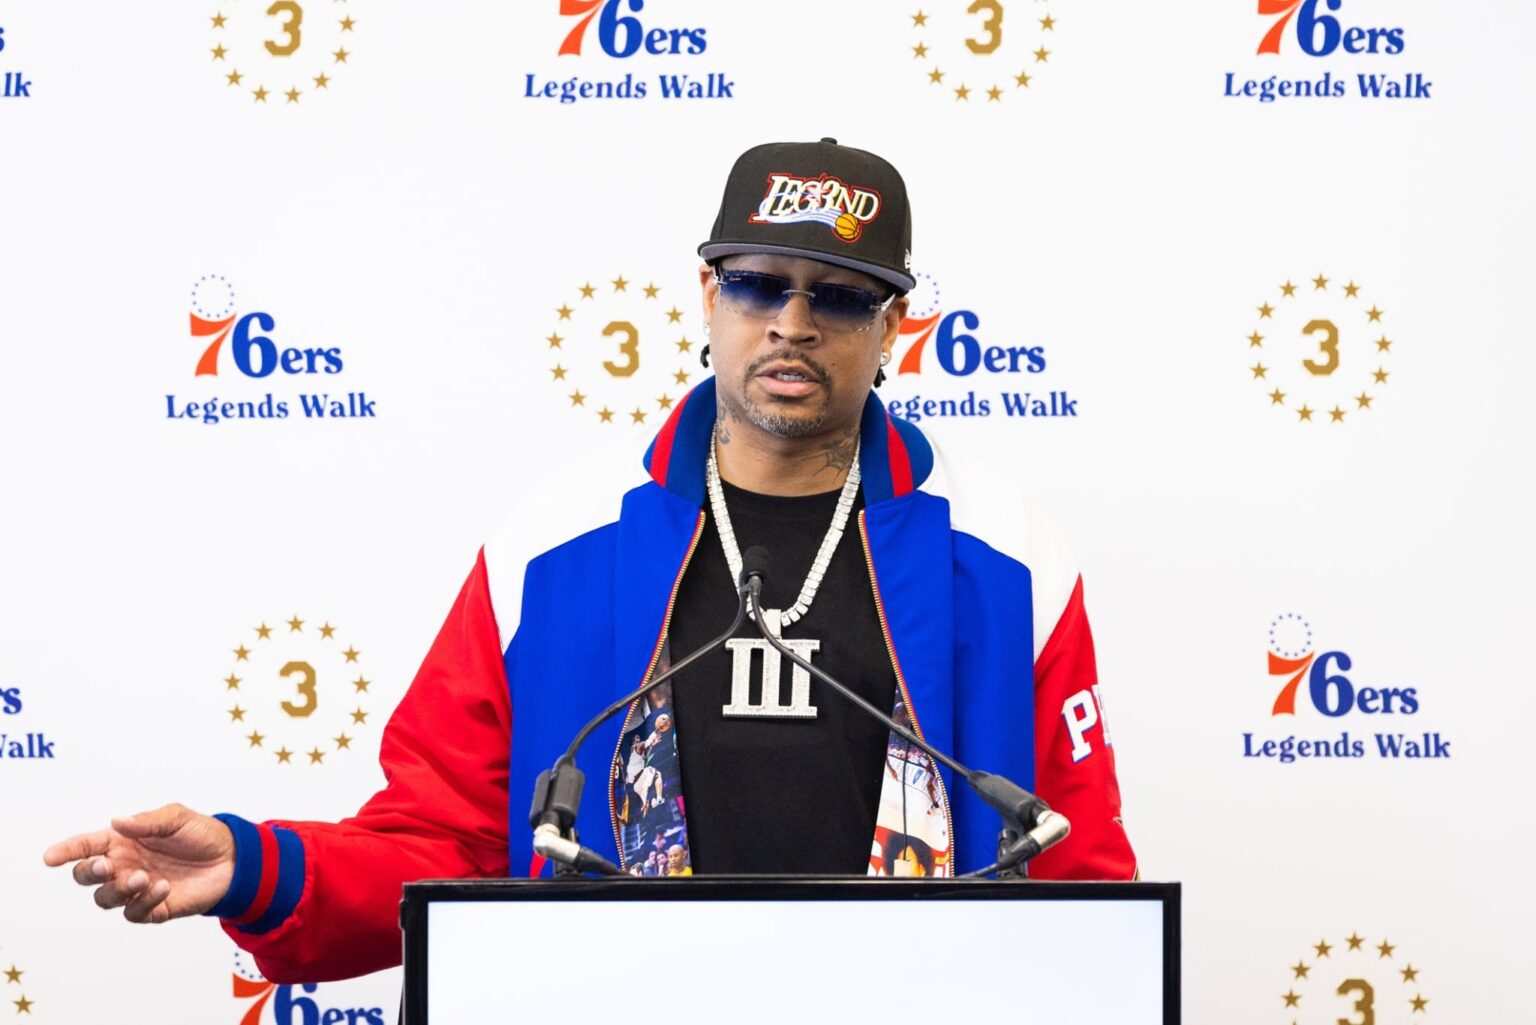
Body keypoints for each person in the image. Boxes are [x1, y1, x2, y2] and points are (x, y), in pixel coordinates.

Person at [42, 138, 1135, 984]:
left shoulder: (1005, 553)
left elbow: (1083, 876)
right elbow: (449, 841)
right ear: (709, 296)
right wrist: (262, 865)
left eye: (840, 295)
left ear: (894, 322)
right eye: (760, 284)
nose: (793, 322)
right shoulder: (555, 542)